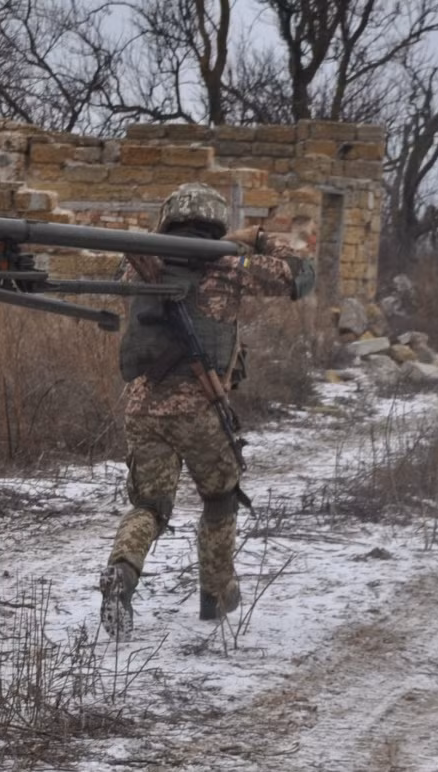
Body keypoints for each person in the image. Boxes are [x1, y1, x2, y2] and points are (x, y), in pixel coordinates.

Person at [100, 182, 316, 637]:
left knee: (150, 506)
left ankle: (121, 571)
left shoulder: (138, 264)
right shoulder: (230, 268)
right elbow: (301, 275)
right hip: (201, 406)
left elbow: (126, 273)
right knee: (219, 499)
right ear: (217, 222)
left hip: (143, 408)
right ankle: (215, 597)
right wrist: (257, 237)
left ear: (168, 219)